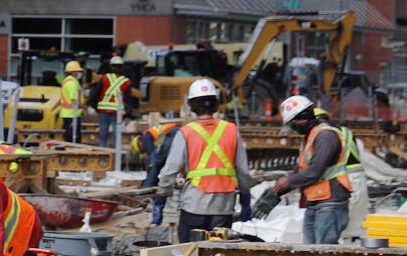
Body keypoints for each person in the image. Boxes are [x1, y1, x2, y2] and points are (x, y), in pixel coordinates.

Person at [153, 78, 251, 242]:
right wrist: (245, 199)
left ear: (191, 105)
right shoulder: (231, 130)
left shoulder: (186, 132)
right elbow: (243, 171)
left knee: (190, 255)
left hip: (195, 203)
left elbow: (169, 171)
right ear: (216, 103)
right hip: (224, 205)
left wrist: (160, 200)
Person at [253, 95, 353, 245]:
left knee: (324, 253)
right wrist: (278, 190)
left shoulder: (325, 136)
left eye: (294, 122)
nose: (293, 126)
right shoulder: (311, 137)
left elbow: (314, 172)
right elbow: (301, 168)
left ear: (304, 117)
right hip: (316, 201)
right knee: (311, 252)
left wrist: (288, 182)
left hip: (330, 201)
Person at [132, 120, 180, 190]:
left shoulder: (145, 138)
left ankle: (147, 186)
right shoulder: (151, 137)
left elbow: (153, 158)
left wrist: (149, 175)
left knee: (155, 162)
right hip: (177, 132)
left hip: (172, 132)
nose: (145, 151)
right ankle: (151, 183)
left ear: (139, 144)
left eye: (143, 150)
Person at [96, 56, 131, 149]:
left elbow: (96, 93)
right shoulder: (126, 81)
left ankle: (102, 159)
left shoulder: (104, 78)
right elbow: (128, 100)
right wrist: (128, 115)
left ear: (111, 67)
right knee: (117, 136)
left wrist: (94, 107)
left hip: (104, 111)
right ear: (122, 67)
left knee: (103, 135)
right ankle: (116, 158)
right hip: (118, 112)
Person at [58, 60, 85, 142]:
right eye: (78, 71)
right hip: (71, 114)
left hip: (72, 114)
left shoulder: (72, 81)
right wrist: (86, 108)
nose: (79, 73)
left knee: (71, 135)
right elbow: (75, 101)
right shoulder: (71, 83)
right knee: (73, 137)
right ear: (73, 72)